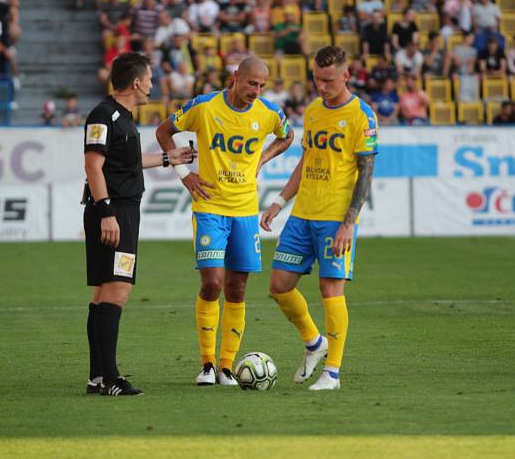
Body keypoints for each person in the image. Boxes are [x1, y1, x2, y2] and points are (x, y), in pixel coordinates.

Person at [155, 57, 294, 386]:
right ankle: (205, 363)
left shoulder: (269, 113)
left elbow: (287, 137)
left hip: (245, 210)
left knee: (238, 287)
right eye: (251, 84)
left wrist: (263, 157)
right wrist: (184, 174)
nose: (256, 92)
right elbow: (163, 131)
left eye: (262, 86)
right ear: (236, 77)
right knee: (213, 281)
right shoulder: (204, 107)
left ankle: (226, 366)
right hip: (210, 208)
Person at [260, 45, 378, 391]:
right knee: (279, 286)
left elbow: (366, 170)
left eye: (328, 80)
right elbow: (305, 161)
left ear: (346, 76)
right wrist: (280, 202)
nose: (322, 86)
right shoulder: (312, 111)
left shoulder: (362, 115)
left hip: (334, 218)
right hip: (302, 214)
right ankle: (314, 343)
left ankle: (333, 373)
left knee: (330, 288)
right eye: (317, 79)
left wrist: (349, 222)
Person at [83, 52, 195, 396]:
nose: (152, 84)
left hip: (121, 210)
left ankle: (98, 378)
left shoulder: (123, 118)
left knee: (105, 293)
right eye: (149, 78)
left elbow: (125, 163)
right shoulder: (104, 114)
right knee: (118, 290)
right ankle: (112, 377)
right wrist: (106, 212)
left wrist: (168, 158)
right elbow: (93, 166)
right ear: (135, 82)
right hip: (114, 212)